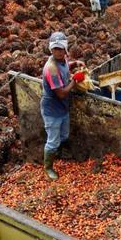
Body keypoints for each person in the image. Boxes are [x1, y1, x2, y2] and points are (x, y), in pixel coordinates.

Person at [40, 31, 85, 180]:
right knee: (53, 140)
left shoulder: (63, 59)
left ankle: (58, 154)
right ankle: (48, 167)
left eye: (61, 49)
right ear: (51, 49)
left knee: (64, 135)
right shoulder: (51, 68)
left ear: (65, 48)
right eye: (55, 49)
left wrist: (75, 64)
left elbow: (66, 65)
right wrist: (75, 80)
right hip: (52, 110)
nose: (58, 52)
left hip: (63, 108)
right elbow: (61, 93)